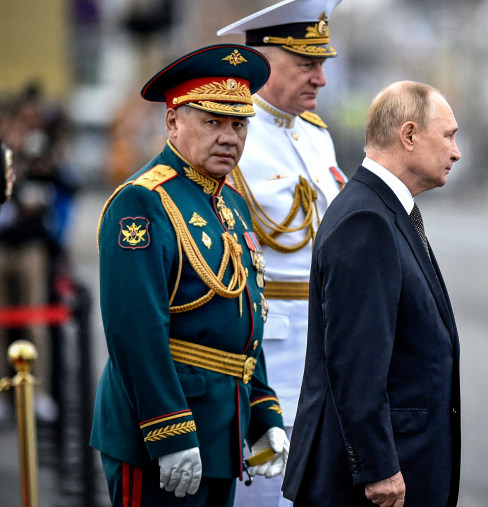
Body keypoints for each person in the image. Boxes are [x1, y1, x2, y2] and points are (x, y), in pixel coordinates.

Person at [90, 44, 288, 507]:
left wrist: (262, 412)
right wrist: (169, 430)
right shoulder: (142, 202)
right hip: (162, 431)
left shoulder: (232, 204)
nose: (229, 137)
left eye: (238, 124)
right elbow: (135, 330)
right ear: (173, 122)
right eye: (212, 122)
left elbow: (245, 319)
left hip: (222, 429)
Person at [283, 80, 463, 506]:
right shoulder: (366, 220)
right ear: (409, 135)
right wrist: (378, 467)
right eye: (449, 135)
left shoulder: (384, 209)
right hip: (372, 484)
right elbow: (355, 361)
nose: (456, 152)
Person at [216, 1, 344, 505]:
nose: (321, 79)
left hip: (327, 358)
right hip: (269, 364)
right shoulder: (231, 136)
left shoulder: (316, 136)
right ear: (266, 62)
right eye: (307, 65)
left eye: (322, 65)